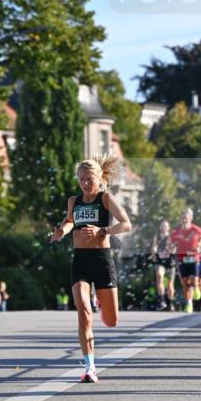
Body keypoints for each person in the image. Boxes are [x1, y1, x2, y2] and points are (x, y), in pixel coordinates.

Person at [50, 154, 132, 383]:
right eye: (81, 179)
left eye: (89, 179)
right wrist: (61, 232)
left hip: (102, 260)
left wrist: (102, 231)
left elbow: (126, 223)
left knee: (111, 320)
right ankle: (90, 367)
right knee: (83, 312)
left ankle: (99, 299)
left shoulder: (105, 198)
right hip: (81, 261)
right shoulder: (73, 201)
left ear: (98, 178)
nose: (85, 184)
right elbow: (69, 221)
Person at [168, 208, 201, 313]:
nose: (184, 219)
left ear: (191, 218)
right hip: (181, 258)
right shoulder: (176, 231)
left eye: (186, 217)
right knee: (185, 283)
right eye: (182, 217)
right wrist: (172, 247)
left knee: (193, 280)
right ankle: (189, 303)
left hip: (194, 257)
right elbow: (170, 244)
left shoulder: (196, 229)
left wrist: (200, 247)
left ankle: (197, 286)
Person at [150, 219, 175, 310]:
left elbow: (175, 248)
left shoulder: (171, 237)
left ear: (168, 228)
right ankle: (161, 300)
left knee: (170, 283)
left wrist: (170, 249)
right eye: (162, 225)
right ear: (160, 227)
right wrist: (154, 252)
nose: (164, 227)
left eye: (165, 226)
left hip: (170, 262)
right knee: (159, 276)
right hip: (160, 261)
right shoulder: (157, 237)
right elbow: (154, 247)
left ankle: (170, 302)